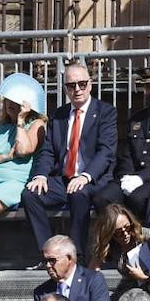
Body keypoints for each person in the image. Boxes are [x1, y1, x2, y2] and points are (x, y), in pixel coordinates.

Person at [21, 63, 119, 255]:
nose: (77, 89)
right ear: (65, 88)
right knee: (30, 194)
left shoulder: (105, 112)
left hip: (92, 179)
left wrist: (85, 176)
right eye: (71, 85)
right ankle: (49, 252)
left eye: (82, 84)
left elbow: (106, 152)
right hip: (64, 178)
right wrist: (40, 175)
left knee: (79, 194)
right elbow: (48, 150)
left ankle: (76, 255)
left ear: (90, 84)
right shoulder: (59, 115)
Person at [99, 66, 150, 219]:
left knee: (137, 199)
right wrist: (125, 177)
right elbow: (128, 154)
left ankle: (142, 240)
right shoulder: (137, 119)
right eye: (147, 87)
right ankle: (116, 241)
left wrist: (141, 178)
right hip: (131, 177)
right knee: (104, 198)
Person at [0, 87, 47, 245]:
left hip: (16, 183)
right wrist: (5, 156)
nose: (11, 103)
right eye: (8, 99)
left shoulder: (37, 124)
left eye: (17, 100)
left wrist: (21, 120)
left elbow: (23, 150)